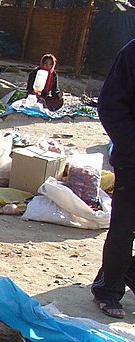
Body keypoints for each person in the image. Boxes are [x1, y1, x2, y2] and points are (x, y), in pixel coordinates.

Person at [91, 40, 135, 319]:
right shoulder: (131, 54)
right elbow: (110, 106)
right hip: (133, 160)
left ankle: (128, 271)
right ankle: (108, 289)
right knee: (124, 227)